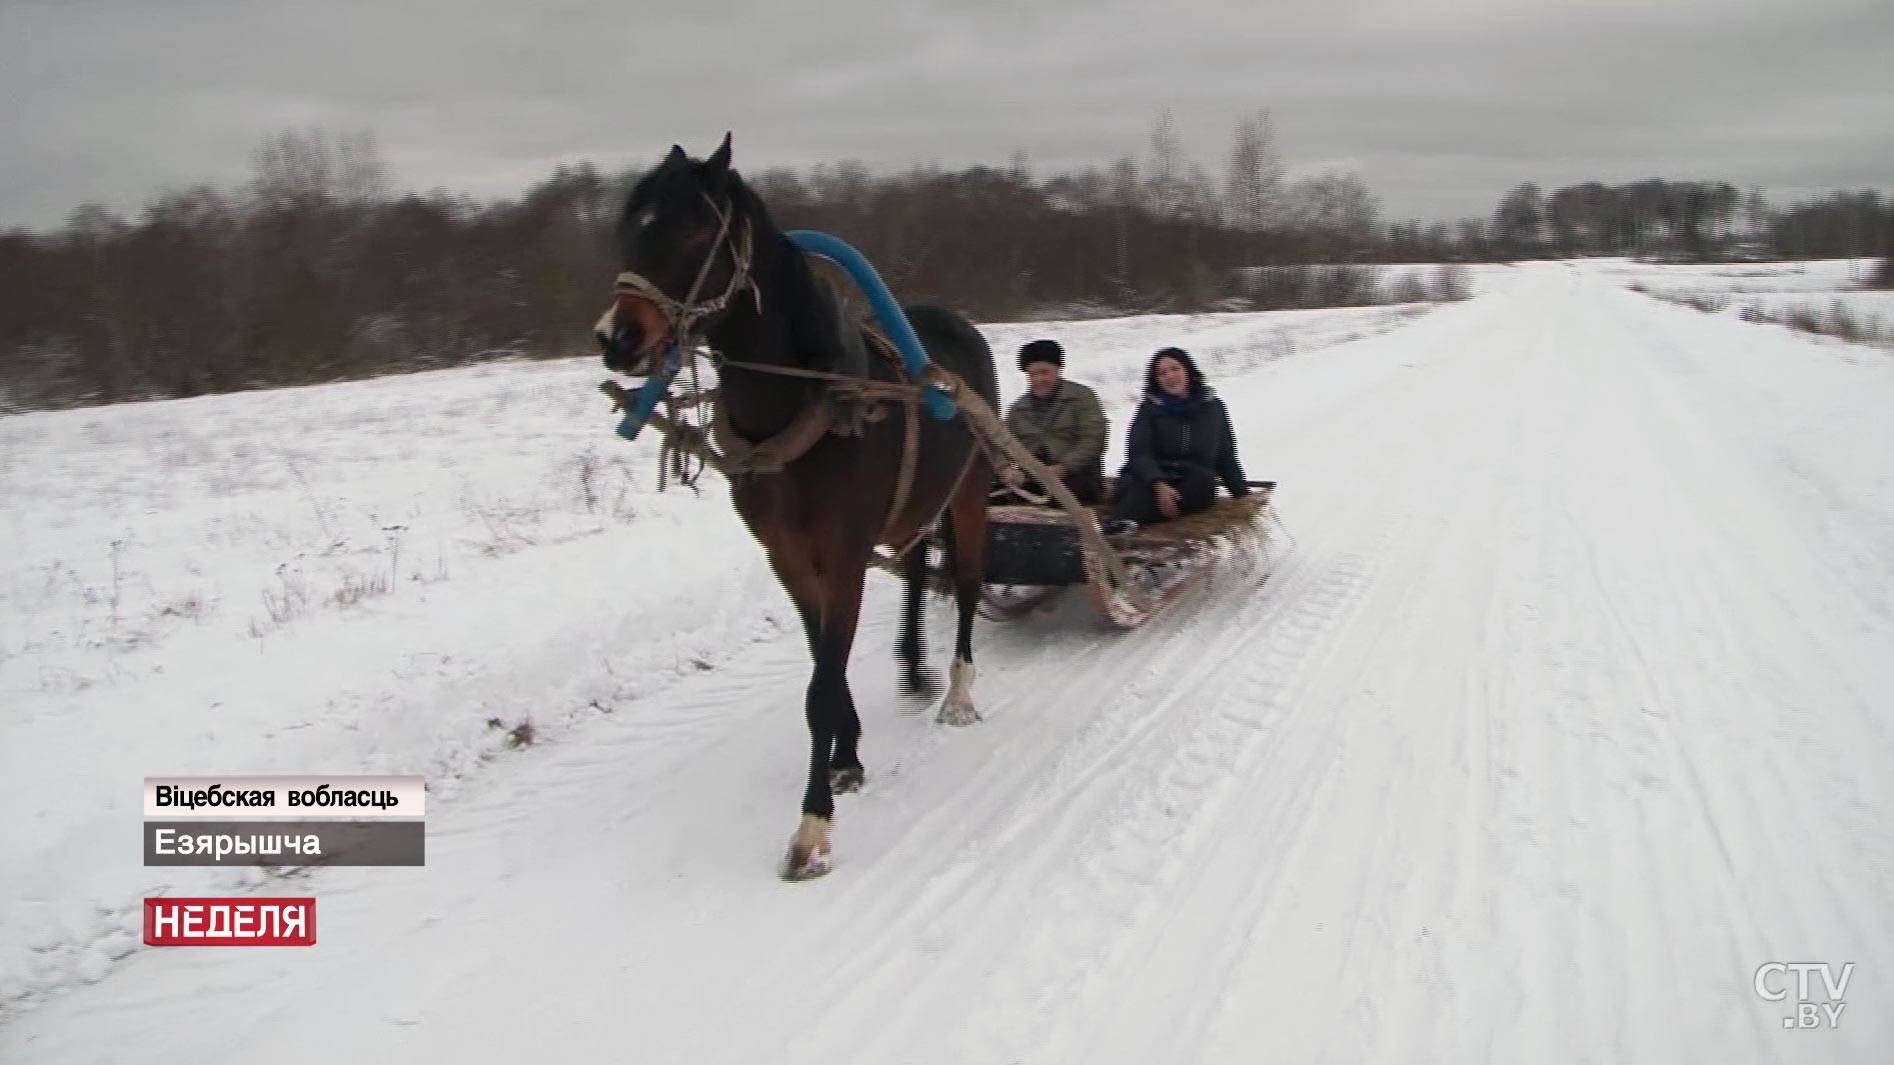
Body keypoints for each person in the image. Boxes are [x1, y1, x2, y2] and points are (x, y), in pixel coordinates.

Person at [1103, 346, 1250, 534]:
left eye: (1175, 368)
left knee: (1204, 482)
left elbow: (1226, 456)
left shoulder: (1213, 408)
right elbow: (1139, 454)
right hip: (1149, 480)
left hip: (1191, 481)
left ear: (1188, 370)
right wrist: (1159, 485)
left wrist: (1241, 493)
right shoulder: (1149, 410)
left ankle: (1130, 519)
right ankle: (1119, 525)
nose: (1170, 376)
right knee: (1139, 490)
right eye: (1162, 373)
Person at [995, 339, 1108, 505]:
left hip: (1077, 476)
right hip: (1033, 478)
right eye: (1032, 374)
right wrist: (1005, 469)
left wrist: (1064, 467)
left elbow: (1094, 439)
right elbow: (1000, 443)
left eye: (1044, 372)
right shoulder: (1018, 408)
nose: (1039, 379)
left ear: (1058, 370)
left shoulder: (1082, 397)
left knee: (1063, 496)